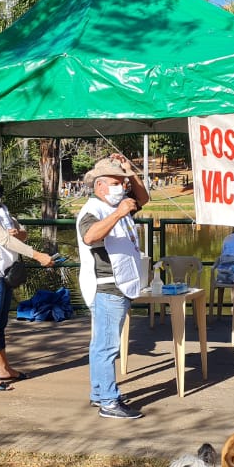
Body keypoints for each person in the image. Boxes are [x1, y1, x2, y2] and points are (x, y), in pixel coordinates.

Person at [0, 166, 57, 391]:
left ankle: (4, 368)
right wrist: (38, 256)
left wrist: (20, 234)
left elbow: (20, 233)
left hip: (5, 273)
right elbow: (3, 241)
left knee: (0, 323)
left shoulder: (2, 209)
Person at [76, 154, 150, 420]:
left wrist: (130, 171)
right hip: (107, 286)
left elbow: (143, 198)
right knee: (107, 347)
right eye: (116, 182)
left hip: (121, 284)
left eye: (124, 182)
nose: (123, 186)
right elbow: (89, 236)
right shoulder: (93, 210)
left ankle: (100, 393)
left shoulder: (119, 204)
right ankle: (109, 401)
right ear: (100, 186)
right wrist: (119, 213)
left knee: (101, 345)